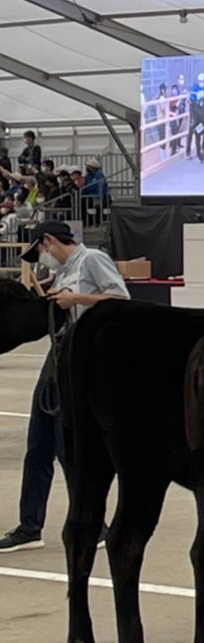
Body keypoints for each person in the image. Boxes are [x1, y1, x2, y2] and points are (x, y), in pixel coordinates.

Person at [1, 221, 130, 552]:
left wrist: (77, 298)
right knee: (38, 442)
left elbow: (121, 299)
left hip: (83, 357)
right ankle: (30, 525)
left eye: (40, 250)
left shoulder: (92, 259)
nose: (41, 258)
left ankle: (94, 523)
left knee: (67, 446)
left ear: (48, 241)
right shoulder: (62, 271)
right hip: (58, 353)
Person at [187, 72, 204, 162]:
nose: (201, 82)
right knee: (191, 130)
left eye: (202, 81)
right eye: (200, 81)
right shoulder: (195, 88)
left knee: (201, 131)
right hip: (195, 112)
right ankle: (188, 151)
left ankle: (199, 150)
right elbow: (192, 100)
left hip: (202, 113)